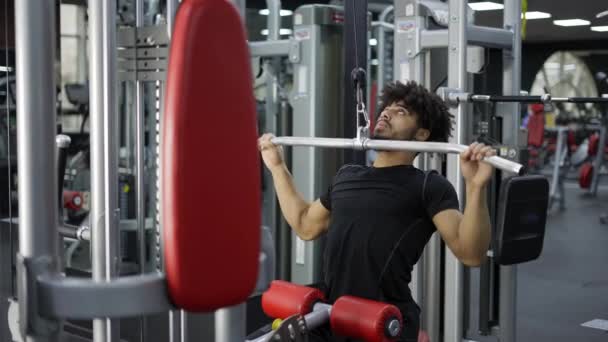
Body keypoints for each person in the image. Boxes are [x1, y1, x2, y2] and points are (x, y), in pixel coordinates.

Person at [258, 81, 494, 341]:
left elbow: (472, 254)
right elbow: (304, 224)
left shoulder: (428, 185)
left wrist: (475, 186)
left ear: (422, 135)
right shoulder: (347, 175)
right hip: (332, 313)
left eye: (401, 112)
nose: (385, 112)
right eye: (386, 108)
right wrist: (277, 167)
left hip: (383, 321)